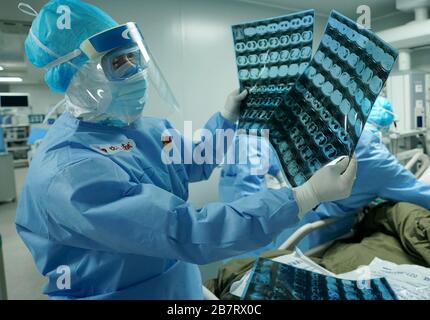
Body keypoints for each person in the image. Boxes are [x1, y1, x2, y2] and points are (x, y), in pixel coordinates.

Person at [15, 0, 357, 300]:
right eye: (120, 65)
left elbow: (193, 161)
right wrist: (304, 196)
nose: (138, 75)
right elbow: (185, 229)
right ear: (75, 77)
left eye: (137, 59)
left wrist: (226, 120)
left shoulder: (141, 129)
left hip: (179, 286)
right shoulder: (68, 172)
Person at [219, 96, 430, 255]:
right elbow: (419, 194)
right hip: (314, 232)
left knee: (241, 255)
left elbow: (280, 163)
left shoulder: (319, 129)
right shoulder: (376, 158)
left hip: (271, 222)